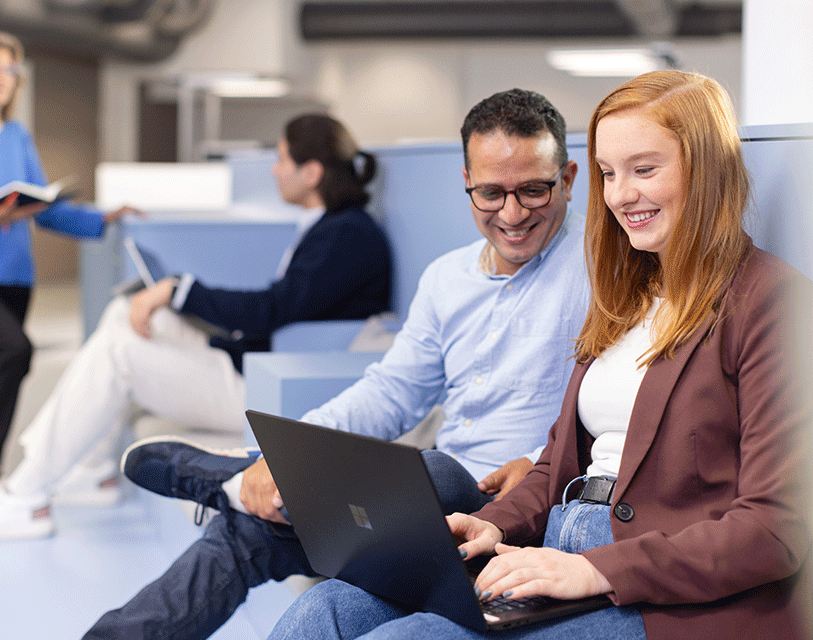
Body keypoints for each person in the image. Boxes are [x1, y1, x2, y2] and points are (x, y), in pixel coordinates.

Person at [267, 71, 813, 640]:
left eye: (644, 169)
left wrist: (593, 569)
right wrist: (488, 525)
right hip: (558, 543)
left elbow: (775, 528)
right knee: (328, 608)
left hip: (663, 592)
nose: (622, 194)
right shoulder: (623, 294)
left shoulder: (772, 303)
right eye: (609, 173)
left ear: (706, 170)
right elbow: (557, 464)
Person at [82, 88, 592, 640]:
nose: (512, 214)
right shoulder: (448, 278)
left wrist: (547, 461)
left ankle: (229, 474)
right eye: (491, 193)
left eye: (533, 191)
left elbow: (625, 410)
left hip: (519, 509)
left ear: (566, 179)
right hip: (439, 510)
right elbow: (392, 393)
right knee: (250, 530)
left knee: (437, 470)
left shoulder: (606, 272)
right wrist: (295, 448)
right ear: (466, 181)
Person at [0, 113, 393, 542]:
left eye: (281, 159)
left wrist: (180, 290)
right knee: (124, 316)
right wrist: (177, 298)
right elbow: (287, 309)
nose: (273, 170)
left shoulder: (348, 235)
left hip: (271, 394)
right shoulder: (331, 226)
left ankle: (27, 496)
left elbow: (273, 309)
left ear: (312, 173)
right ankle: (92, 471)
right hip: (258, 365)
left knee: (121, 353)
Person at [0, 30, 137, 506]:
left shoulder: (16, 136)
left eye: (10, 71)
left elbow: (45, 209)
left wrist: (102, 218)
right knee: (14, 349)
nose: (1, 80)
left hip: (14, 277)